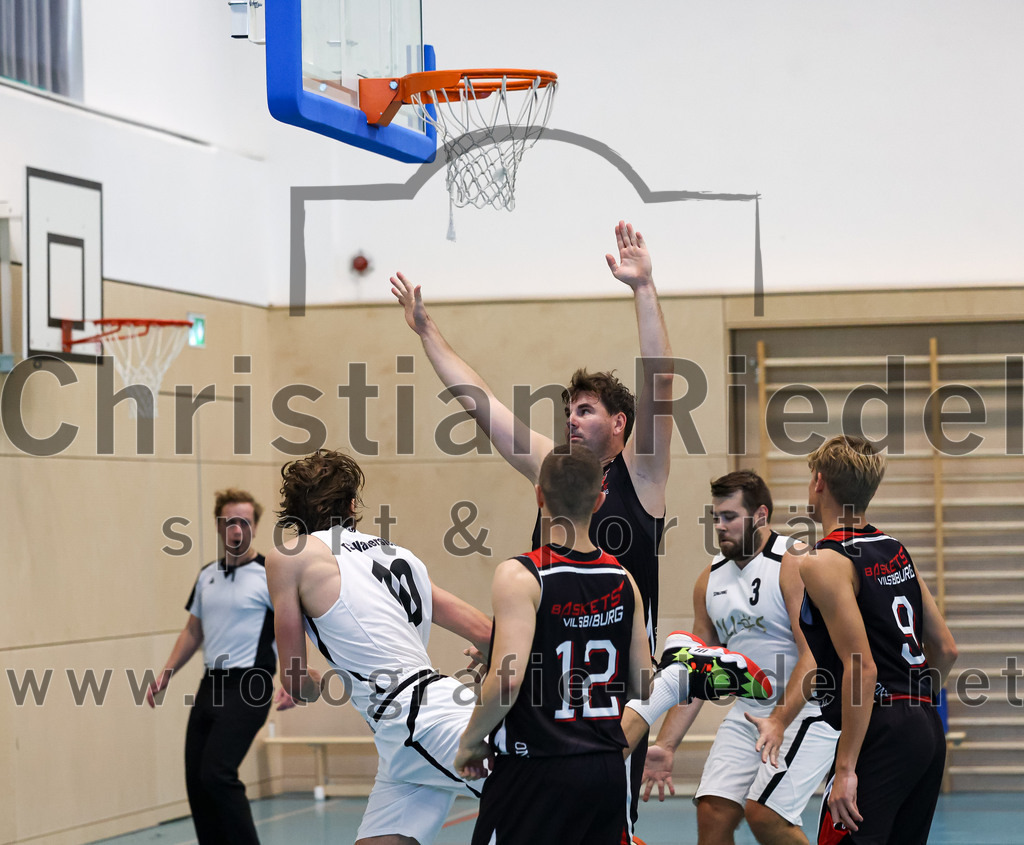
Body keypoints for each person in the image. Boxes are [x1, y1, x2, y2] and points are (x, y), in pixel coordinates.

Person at [393, 220, 674, 836]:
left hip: (611, 705)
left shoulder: (642, 476)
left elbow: (660, 385)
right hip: (544, 708)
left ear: (620, 424)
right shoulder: (556, 471)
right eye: (568, 411)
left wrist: (644, 289)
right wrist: (428, 332)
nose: (571, 420)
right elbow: (481, 403)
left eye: (586, 410)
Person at [265, 449, 493, 845]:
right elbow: (487, 632)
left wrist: (313, 681)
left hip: (415, 722)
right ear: (352, 505)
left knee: (529, 803)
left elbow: (296, 682)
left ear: (293, 513)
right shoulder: (398, 554)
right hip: (423, 715)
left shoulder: (290, 556)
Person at [454, 444, 654, 844]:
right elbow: (643, 684)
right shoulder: (623, 580)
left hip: (537, 769)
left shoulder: (521, 575)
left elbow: (507, 681)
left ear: (539, 495)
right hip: (605, 771)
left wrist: (470, 742)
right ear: (599, 501)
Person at [627, 471, 840, 845]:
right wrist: (667, 744)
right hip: (750, 713)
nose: (720, 526)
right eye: (715, 518)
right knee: (712, 812)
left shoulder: (794, 563)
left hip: (809, 710)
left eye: (729, 517)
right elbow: (694, 671)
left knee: (766, 815)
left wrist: (778, 721)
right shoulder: (709, 581)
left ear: (760, 515)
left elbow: (813, 658)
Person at [798, 435, 957, 844]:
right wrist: (914, 704)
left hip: (881, 729)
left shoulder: (824, 562)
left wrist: (846, 768)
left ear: (819, 481)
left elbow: (862, 666)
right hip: (925, 724)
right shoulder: (895, 549)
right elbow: (946, 648)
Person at [147, 488, 294, 845]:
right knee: (197, 780)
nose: (236, 530)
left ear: (255, 526)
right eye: (229, 523)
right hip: (211, 684)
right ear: (218, 526)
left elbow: (289, 628)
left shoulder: (270, 575)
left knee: (217, 773)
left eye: (244, 522)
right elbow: (192, 631)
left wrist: (292, 678)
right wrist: (166, 673)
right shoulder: (206, 576)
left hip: (251, 684)